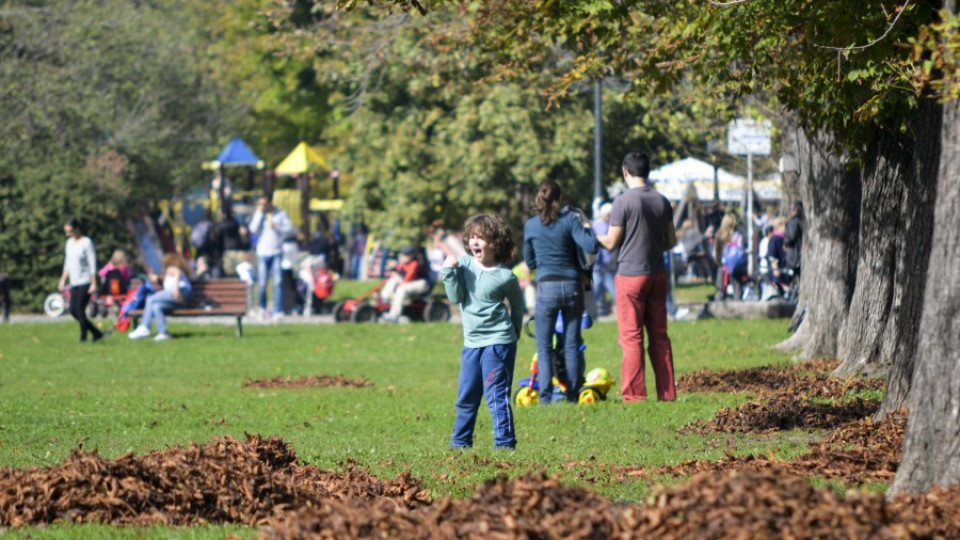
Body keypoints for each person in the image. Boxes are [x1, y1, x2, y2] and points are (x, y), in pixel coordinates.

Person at [597, 152, 677, 402]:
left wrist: (590, 234)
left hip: (630, 275)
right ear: (648, 171)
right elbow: (671, 241)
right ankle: (667, 393)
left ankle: (634, 395)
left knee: (632, 337)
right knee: (659, 335)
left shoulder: (622, 202)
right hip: (657, 273)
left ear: (625, 171)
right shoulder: (662, 201)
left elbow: (611, 242)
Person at [442, 214, 524, 449]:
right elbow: (455, 296)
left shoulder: (505, 276)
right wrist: (448, 271)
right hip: (471, 343)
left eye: (482, 237)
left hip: (498, 342)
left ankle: (505, 444)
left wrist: (514, 333)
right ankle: (460, 442)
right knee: (466, 395)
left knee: (496, 396)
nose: (475, 242)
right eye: (473, 237)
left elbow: (517, 305)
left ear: (495, 242)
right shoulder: (464, 264)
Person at [523, 180, 599, 403]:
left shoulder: (531, 225)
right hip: (572, 285)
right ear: (560, 198)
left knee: (544, 346)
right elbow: (591, 246)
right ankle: (573, 394)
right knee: (571, 343)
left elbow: (530, 261)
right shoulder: (570, 221)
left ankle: (545, 397)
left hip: (546, 287)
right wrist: (587, 227)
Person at [58, 218, 105, 343]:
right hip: (74, 281)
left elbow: (92, 265)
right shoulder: (69, 243)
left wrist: (94, 283)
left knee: (80, 310)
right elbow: (67, 263)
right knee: (73, 311)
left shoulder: (87, 242)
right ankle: (96, 332)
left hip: (85, 281)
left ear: (77, 229)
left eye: (69, 231)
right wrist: (63, 279)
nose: (67, 234)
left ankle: (83, 337)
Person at [128, 253, 193, 341]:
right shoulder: (168, 275)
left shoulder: (171, 268)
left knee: (151, 299)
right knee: (156, 306)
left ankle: (145, 326)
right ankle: (163, 333)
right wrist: (157, 279)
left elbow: (177, 272)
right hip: (181, 299)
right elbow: (166, 284)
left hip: (181, 292)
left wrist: (176, 289)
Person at [249, 195, 294, 320]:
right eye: (260, 204)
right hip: (263, 252)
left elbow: (290, 230)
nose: (263, 206)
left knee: (277, 282)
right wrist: (259, 214)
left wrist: (277, 227)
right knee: (262, 282)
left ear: (270, 203)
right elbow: (253, 229)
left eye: (264, 204)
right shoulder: (259, 214)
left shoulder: (280, 214)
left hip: (277, 252)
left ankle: (277, 310)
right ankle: (262, 308)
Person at [380, 245, 430, 323]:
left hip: (422, 284)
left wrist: (397, 285)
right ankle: (384, 299)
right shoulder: (405, 262)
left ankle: (394, 315)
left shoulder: (415, 263)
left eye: (407, 254)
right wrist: (394, 269)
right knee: (393, 280)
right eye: (404, 254)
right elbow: (398, 271)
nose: (405, 256)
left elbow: (408, 278)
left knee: (402, 288)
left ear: (412, 255)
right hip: (411, 282)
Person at [592, 202, 618, 315]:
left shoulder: (613, 225)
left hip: (609, 264)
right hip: (598, 265)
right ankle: (598, 310)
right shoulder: (597, 226)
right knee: (597, 289)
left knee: (613, 289)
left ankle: (617, 309)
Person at [784, 200, 804, 278]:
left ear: (795, 209)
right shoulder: (803, 220)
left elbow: (791, 236)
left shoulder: (794, 221)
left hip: (795, 255)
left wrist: (786, 243)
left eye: (791, 209)